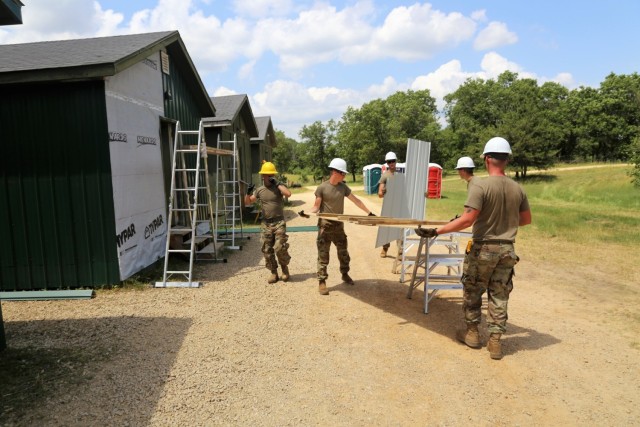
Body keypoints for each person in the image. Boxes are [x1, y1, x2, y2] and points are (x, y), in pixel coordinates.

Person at [415, 137, 531, 360]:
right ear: (506, 159)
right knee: (500, 294)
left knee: (473, 290)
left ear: (487, 159)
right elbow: (525, 220)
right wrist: (503, 219)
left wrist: (436, 231)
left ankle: (472, 334)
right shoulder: (518, 188)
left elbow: (468, 219)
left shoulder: (480, 185)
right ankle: (495, 342)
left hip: (483, 248)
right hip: (507, 250)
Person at [310, 158, 375, 295]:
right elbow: (316, 206)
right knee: (323, 255)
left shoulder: (343, 187)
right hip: (325, 226)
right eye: (343, 173)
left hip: (338, 226)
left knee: (343, 253)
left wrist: (369, 213)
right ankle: (322, 281)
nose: (344, 176)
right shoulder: (322, 188)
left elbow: (356, 200)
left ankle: (345, 274)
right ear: (335, 172)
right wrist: (308, 213)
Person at [245, 161, 292, 284]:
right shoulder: (260, 190)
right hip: (266, 224)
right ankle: (273, 272)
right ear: (263, 176)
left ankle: (284, 269)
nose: (271, 177)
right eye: (268, 175)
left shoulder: (278, 187)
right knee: (267, 250)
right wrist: (248, 192)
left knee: (280, 247)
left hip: (279, 222)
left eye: (272, 175)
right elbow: (248, 202)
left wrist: (277, 183)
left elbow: (288, 194)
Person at [378, 151, 403, 259]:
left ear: (396, 161)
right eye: (389, 162)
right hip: (388, 207)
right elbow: (379, 194)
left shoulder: (401, 175)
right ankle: (385, 248)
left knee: (400, 228)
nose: (391, 163)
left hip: (399, 206)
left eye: (393, 161)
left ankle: (401, 252)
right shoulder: (384, 176)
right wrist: (382, 191)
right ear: (387, 163)